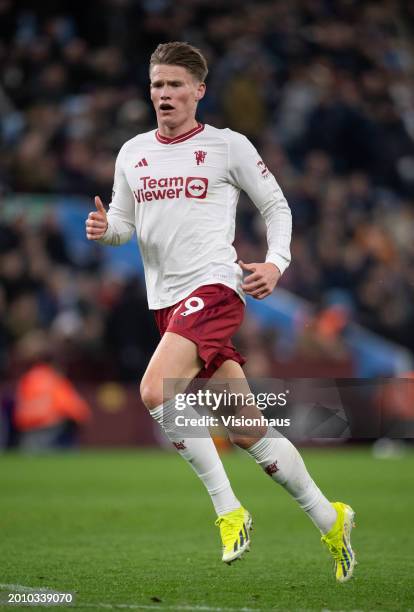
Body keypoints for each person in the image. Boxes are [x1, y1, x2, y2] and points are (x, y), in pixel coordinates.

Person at [86, 41, 356, 582]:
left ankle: (228, 510)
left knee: (154, 390)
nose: (164, 94)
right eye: (157, 84)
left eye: (175, 85)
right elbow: (123, 225)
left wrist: (276, 264)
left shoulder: (227, 146)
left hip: (214, 289)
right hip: (166, 304)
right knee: (247, 429)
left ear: (199, 91)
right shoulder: (132, 152)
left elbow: (276, 206)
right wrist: (105, 232)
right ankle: (332, 519)